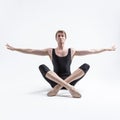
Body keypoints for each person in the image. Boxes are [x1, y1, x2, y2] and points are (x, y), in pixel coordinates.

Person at [6, 30, 116, 98]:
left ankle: (61, 87)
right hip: (54, 81)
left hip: (70, 80)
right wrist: (15, 49)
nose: (60, 37)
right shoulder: (50, 51)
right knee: (42, 67)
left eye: (62, 35)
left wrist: (107, 49)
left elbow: (92, 50)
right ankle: (68, 88)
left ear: (65, 38)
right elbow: (31, 50)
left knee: (86, 65)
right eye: (58, 35)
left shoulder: (72, 51)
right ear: (56, 38)